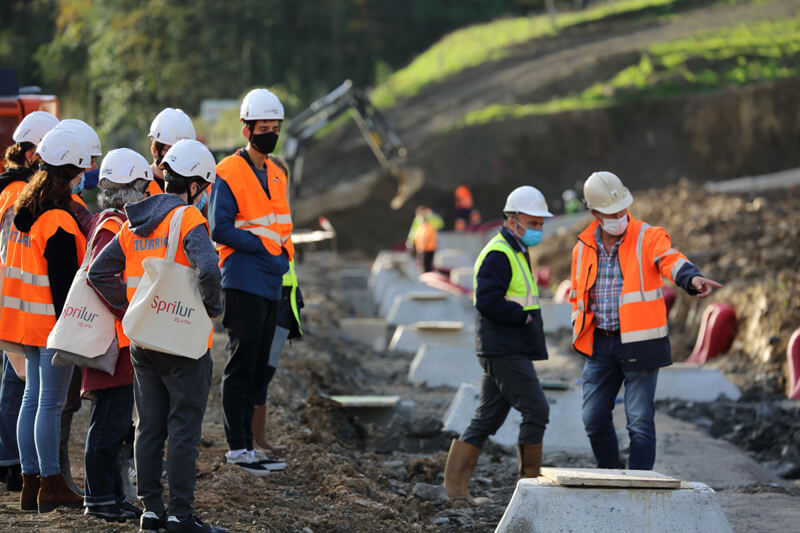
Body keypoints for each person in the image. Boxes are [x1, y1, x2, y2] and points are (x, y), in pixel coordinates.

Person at [89, 139, 225, 533]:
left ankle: (151, 513)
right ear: (196, 185)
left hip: (143, 341)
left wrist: (129, 307)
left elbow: (99, 273)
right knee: (183, 428)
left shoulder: (134, 221)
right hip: (183, 342)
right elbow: (211, 272)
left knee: (148, 426)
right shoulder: (189, 220)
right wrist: (212, 308)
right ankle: (182, 516)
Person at [570, 171, 722, 470]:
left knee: (639, 419)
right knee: (592, 418)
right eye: (611, 213)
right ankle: (611, 475)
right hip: (600, 344)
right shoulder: (582, 249)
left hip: (639, 343)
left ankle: (640, 486)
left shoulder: (648, 236)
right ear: (594, 213)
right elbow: (578, 295)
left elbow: (670, 259)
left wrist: (692, 279)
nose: (619, 216)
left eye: (623, 210)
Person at [0, 127, 90, 513]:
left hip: (24, 324)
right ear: (70, 173)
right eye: (83, 170)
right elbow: (66, 286)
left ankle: (31, 483)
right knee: (49, 403)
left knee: (32, 401)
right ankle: (51, 484)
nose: (85, 177)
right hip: (51, 327)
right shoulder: (59, 220)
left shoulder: (27, 210)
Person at [443, 186, 551, 504]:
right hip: (503, 348)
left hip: (505, 347)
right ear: (513, 219)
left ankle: (455, 492)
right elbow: (487, 300)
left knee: (487, 417)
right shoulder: (499, 253)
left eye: (540, 224)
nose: (538, 229)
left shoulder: (515, 249)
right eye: (533, 223)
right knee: (537, 410)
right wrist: (522, 317)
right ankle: (530, 492)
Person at [210, 88, 293, 476]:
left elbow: (282, 225)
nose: (270, 134)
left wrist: (283, 257)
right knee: (241, 365)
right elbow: (219, 227)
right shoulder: (227, 171)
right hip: (242, 279)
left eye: (275, 128)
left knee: (259, 367)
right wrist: (261, 246)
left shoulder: (276, 173)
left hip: (271, 280)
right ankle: (238, 447)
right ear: (247, 130)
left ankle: (250, 445)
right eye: (264, 128)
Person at [80, 148, 152, 522]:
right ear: (132, 189)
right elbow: (98, 276)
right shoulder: (113, 226)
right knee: (108, 421)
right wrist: (128, 310)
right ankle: (100, 498)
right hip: (111, 341)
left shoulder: (107, 221)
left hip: (115, 342)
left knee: (115, 420)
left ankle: (111, 495)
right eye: (143, 187)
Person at [0, 110, 59, 493]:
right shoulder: (16, 194)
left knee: (20, 386)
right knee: (17, 384)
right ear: (33, 152)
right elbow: (11, 251)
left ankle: (12, 462)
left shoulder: (12, 188)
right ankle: (10, 462)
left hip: (14, 298)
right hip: (16, 299)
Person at [252, 257, 303, 457]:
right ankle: (249, 440)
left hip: (282, 301)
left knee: (265, 374)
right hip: (264, 297)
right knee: (255, 374)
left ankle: (259, 438)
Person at [147, 107, 196, 197]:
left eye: (183, 150)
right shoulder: (141, 188)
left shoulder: (197, 186)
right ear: (155, 151)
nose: (178, 156)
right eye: (172, 150)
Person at [414, 208, 439, 273]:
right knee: (422, 265)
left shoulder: (428, 226)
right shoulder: (420, 227)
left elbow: (426, 237)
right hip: (421, 248)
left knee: (426, 266)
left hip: (427, 249)